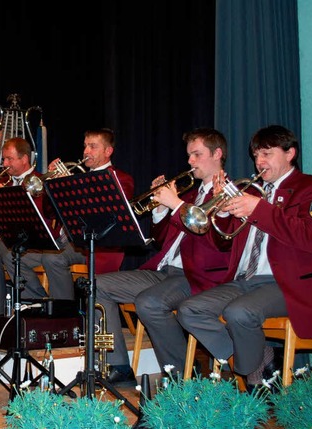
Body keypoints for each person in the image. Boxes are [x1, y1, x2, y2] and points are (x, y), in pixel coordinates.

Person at [177, 125, 312, 391]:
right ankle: (260, 360)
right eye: (256, 155)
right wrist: (221, 212)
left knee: (239, 312)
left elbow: (311, 237)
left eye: (267, 154)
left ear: (290, 153)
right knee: (190, 310)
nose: (259, 162)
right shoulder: (252, 192)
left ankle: (253, 384)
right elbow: (223, 244)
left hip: (286, 283)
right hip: (244, 280)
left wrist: (259, 209)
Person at [96, 128, 231, 385]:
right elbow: (163, 239)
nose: (190, 161)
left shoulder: (228, 194)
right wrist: (159, 208)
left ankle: (183, 375)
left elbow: (217, 243)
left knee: (149, 303)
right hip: (165, 270)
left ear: (217, 154)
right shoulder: (190, 195)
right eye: (189, 155)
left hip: (197, 276)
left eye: (197, 154)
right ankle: (117, 366)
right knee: (97, 285)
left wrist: (176, 205)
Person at [14, 128, 134, 308]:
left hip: (100, 245)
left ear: (108, 151)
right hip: (70, 241)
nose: (86, 151)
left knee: (53, 259)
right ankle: (42, 306)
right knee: (16, 256)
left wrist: (71, 189)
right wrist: (53, 186)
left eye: (93, 146)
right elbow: (49, 212)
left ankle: (64, 313)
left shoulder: (120, 178)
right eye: (85, 146)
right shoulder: (80, 177)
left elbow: (106, 215)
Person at [0, 137, 50, 318]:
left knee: (8, 252)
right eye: (3, 159)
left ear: (24, 159)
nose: (4, 163)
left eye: (9, 159)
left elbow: (44, 218)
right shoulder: (5, 183)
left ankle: (36, 304)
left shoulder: (40, 181)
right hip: (11, 241)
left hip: (35, 243)